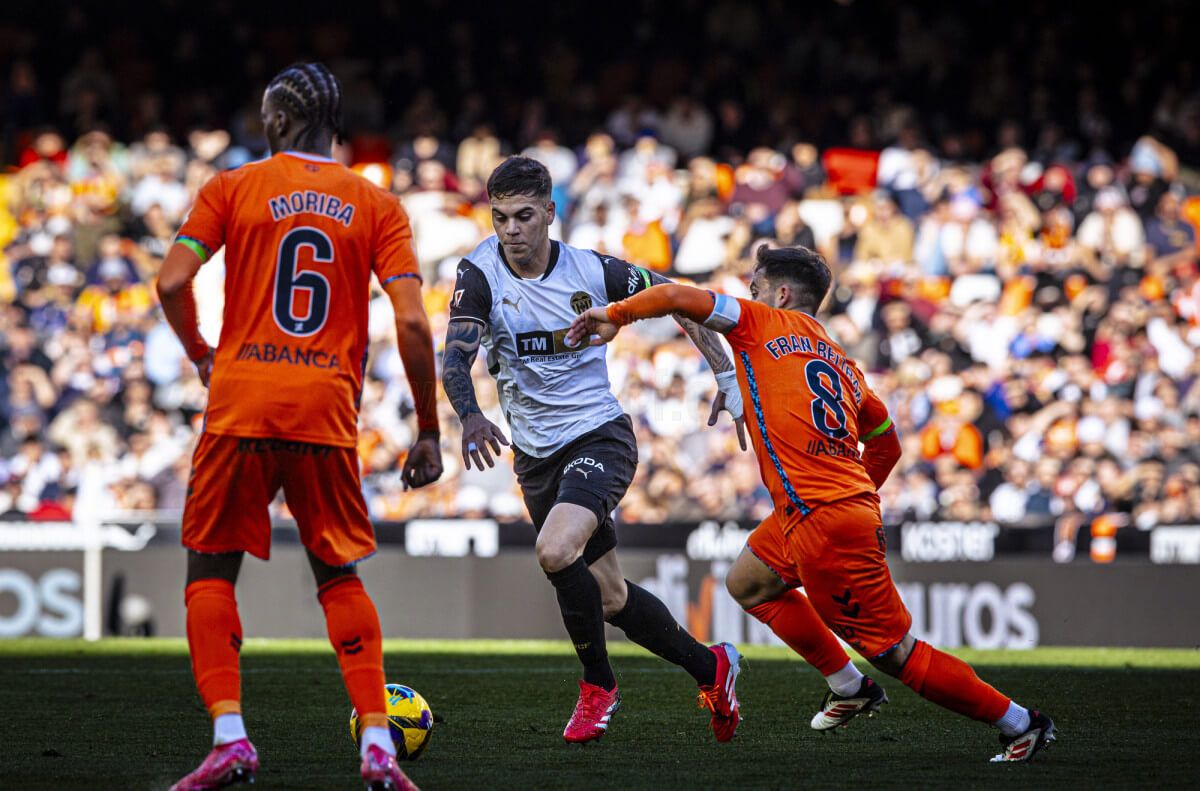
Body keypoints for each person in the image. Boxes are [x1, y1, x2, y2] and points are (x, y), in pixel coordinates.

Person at [567, 244, 1057, 764]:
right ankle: (849, 686)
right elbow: (887, 440)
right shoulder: (842, 362)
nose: (748, 293)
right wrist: (852, 493)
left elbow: (674, 296)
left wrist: (615, 314)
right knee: (748, 582)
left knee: (894, 653)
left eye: (754, 286)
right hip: (817, 509)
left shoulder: (760, 320)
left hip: (823, 518)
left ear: (780, 294)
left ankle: (1022, 724)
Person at [157, 63, 442, 791]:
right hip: (324, 408)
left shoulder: (231, 188)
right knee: (337, 573)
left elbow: (170, 280)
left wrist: (199, 354)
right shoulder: (376, 204)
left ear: (279, 121)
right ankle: (377, 743)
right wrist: (428, 427)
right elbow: (411, 319)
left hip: (241, 398)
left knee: (210, 570)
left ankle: (229, 735)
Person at [442, 156, 747, 744]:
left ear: (550, 214)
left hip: (599, 435)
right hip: (533, 455)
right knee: (609, 596)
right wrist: (471, 414)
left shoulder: (590, 270)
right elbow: (456, 354)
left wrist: (726, 375)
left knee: (556, 551)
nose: (511, 229)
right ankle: (713, 667)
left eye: (524, 216)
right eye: (500, 217)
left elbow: (677, 297)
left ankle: (598, 686)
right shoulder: (478, 274)